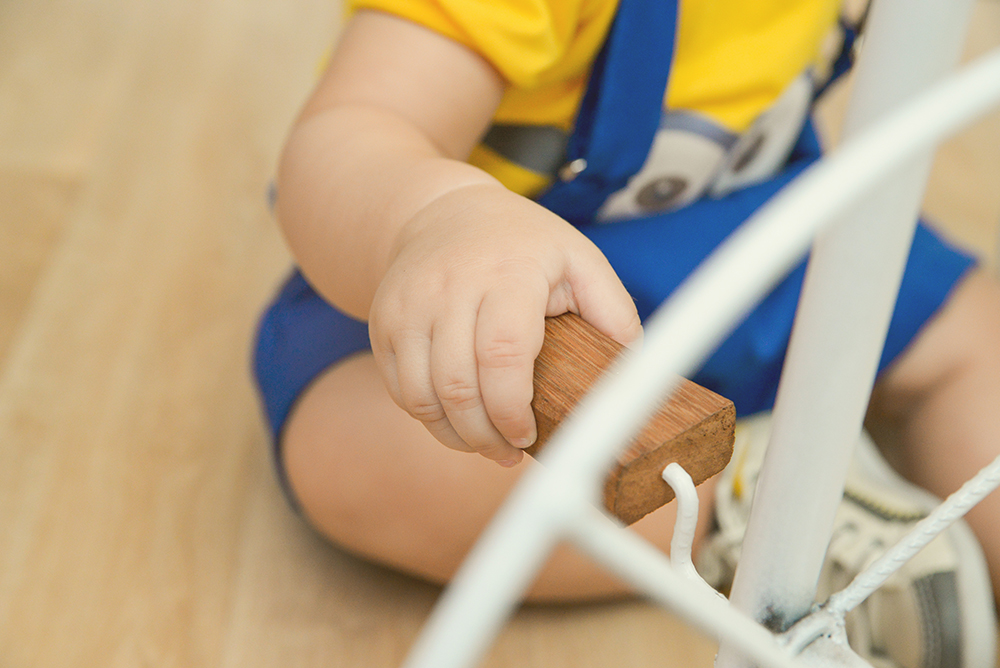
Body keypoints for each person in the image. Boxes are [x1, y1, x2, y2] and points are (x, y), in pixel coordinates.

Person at [253, 0, 1000, 664]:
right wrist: (433, 217)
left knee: (973, 335)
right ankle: (751, 518)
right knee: (347, 448)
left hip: (763, 230)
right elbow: (348, 134)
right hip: (522, 301)